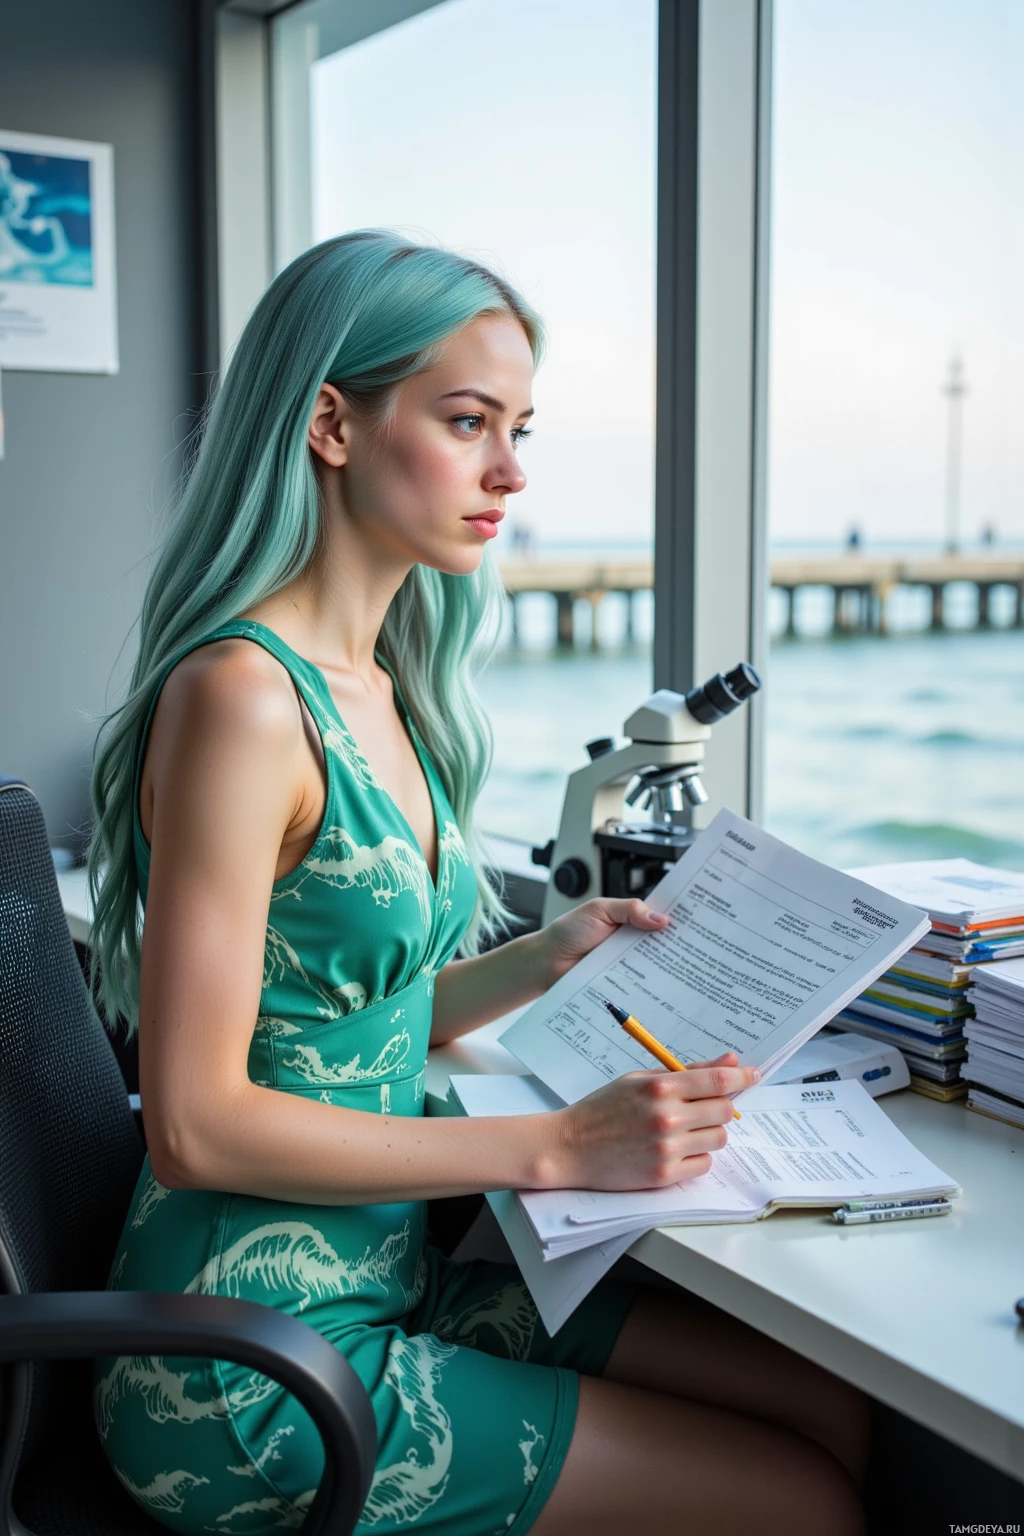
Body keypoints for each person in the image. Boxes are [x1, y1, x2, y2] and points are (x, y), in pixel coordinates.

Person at [88, 230, 868, 1536]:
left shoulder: (381, 689)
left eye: (519, 427)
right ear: (332, 423)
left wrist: (544, 956)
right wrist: (561, 1142)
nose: (509, 471)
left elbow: (335, 1018)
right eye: (467, 421)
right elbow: (198, 1124)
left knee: (831, 1411)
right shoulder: (242, 698)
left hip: (379, 1288)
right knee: (800, 1497)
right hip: (243, 1360)